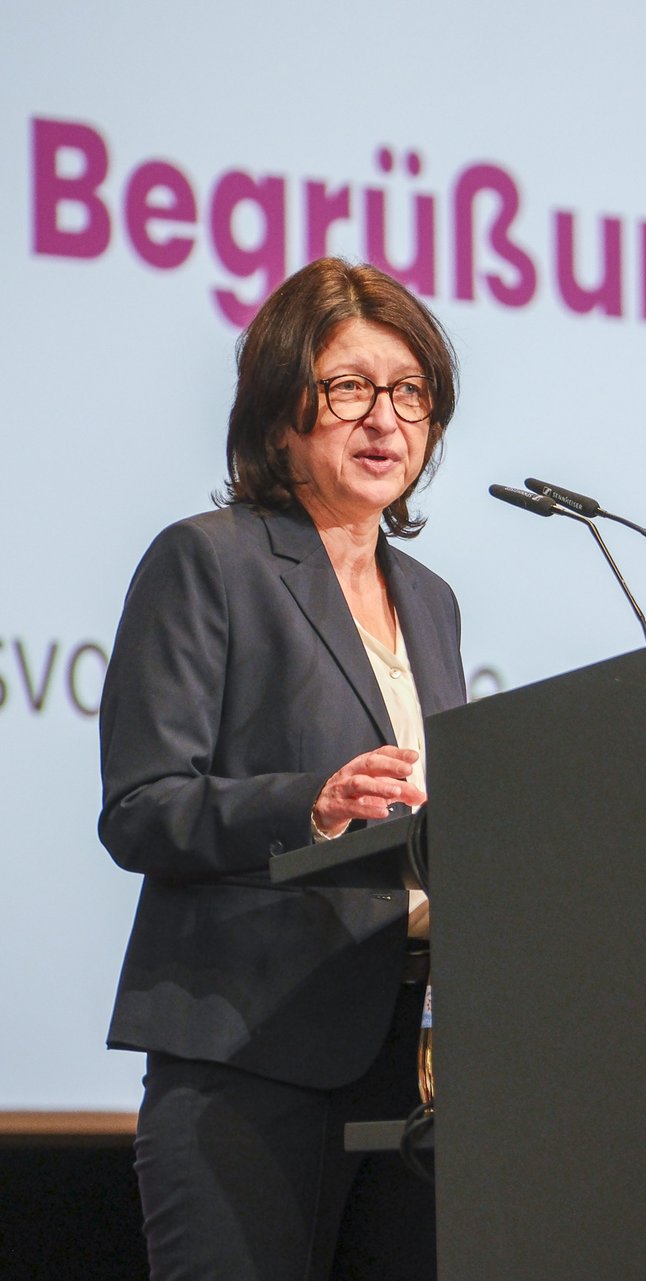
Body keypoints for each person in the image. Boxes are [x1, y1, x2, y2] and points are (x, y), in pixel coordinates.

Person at [98, 257, 466, 1281]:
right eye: (349, 388)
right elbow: (142, 806)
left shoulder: (431, 600)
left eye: (410, 392)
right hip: (253, 1059)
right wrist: (312, 804)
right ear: (280, 413)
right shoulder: (208, 561)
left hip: (417, 1062)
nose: (385, 420)